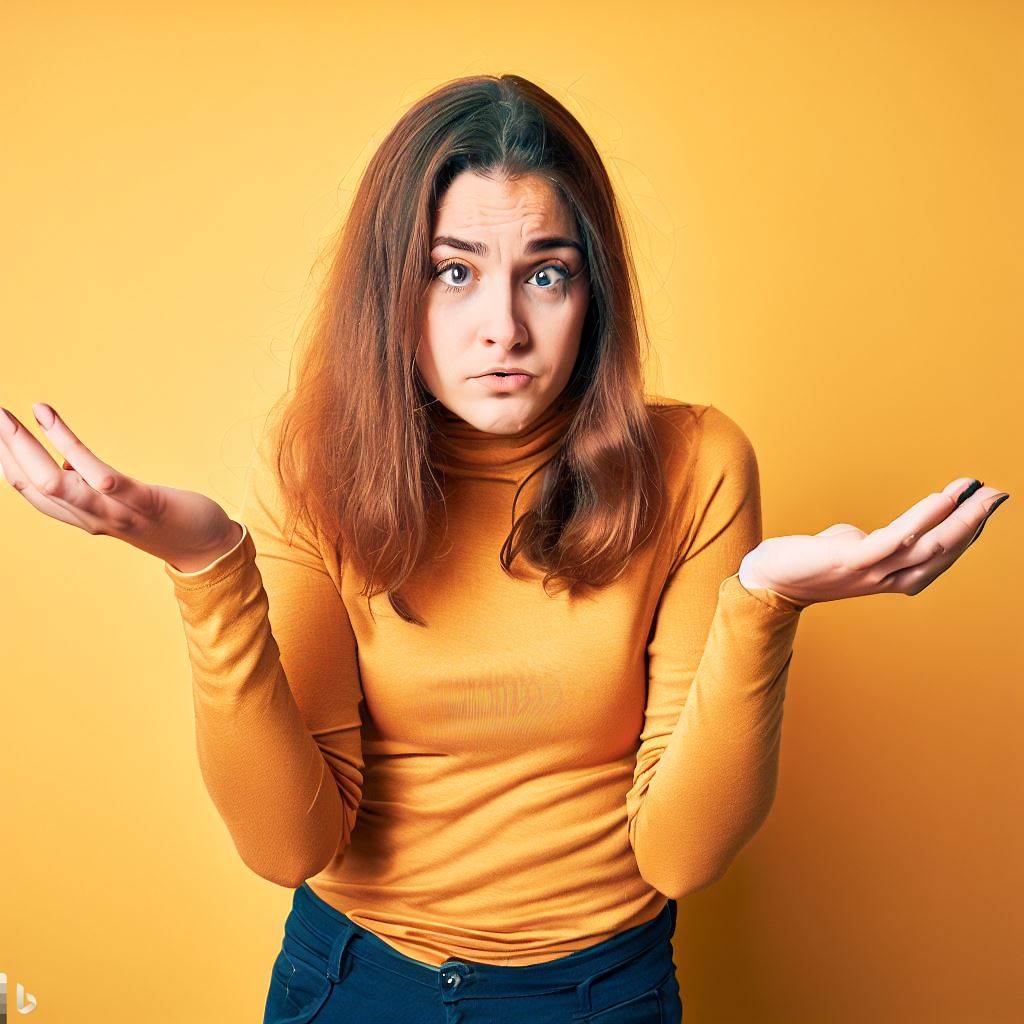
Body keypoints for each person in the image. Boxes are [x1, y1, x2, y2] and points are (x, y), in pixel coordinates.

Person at [0, 74, 1008, 1024]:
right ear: (390, 292)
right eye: (452, 272)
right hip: (353, 980)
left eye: (547, 274)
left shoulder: (698, 460)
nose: (503, 327)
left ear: (592, 293)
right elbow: (286, 843)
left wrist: (762, 601)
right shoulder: (315, 461)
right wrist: (207, 562)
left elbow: (681, 854)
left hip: (600, 991)